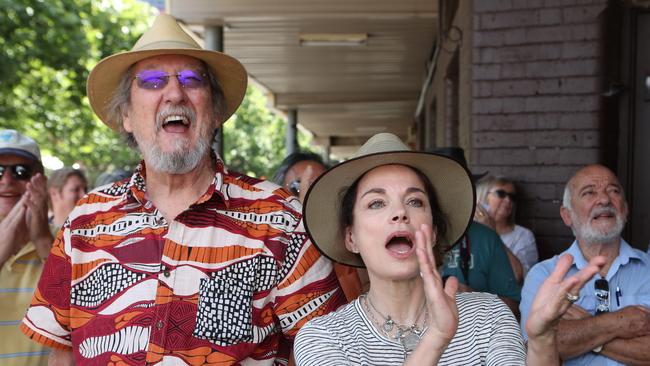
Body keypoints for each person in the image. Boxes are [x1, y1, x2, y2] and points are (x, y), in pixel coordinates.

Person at [21, 14, 344, 365]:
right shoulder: (83, 222)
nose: (174, 93)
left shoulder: (280, 219)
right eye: (153, 81)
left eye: (192, 80)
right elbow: (62, 353)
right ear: (126, 115)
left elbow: (324, 353)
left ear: (216, 111)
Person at [294, 133, 605, 365]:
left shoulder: (488, 315)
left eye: (415, 201)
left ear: (433, 232)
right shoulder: (323, 337)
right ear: (352, 238)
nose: (400, 212)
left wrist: (541, 341)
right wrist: (436, 339)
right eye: (376, 203)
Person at [520, 164, 650, 365]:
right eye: (589, 192)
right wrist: (617, 322)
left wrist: (584, 328)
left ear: (625, 208)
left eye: (613, 191)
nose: (605, 199)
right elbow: (539, 350)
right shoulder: (544, 275)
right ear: (567, 215)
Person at [429, 147, 521, 316]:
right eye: (439, 186)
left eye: (458, 185)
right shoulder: (403, 238)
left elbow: (514, 309)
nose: (448, 195)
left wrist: (473, 298)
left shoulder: (486, 238)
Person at [274, 152, 365, 301]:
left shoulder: (352, 252)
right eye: (297, 186)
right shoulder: (269, 255)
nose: (309, 195)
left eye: (319, 186)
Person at [0, 129, 53, 364]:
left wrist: (42, 239)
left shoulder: (64, 239)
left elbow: (82, 314)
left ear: (40, 180)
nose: (7, 181)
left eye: (20, 172)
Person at [476, 175, 538, 278]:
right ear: (482, 197)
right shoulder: (468, 231)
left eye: (512, 197)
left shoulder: (522, 235)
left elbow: (519, 276)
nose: (508, 200)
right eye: (501, 194)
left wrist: (492, 234)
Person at [47, 167, 87, 232]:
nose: (85, 195)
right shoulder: (39, 233)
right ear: (54, 194)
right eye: (76, 189)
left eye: (85, 189)